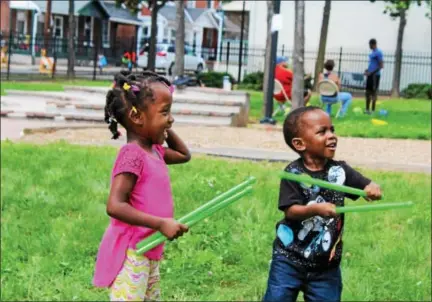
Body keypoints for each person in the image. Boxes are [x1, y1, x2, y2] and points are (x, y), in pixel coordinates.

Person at [263, 106, 382, 302]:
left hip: (326, 263)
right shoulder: (293, 173)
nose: (332, 136)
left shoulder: (340, 171)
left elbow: (366, 185)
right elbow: (290, 211)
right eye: (322, 131)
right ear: (300, 144)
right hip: (289, 258)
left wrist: (372, 188)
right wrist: (315, 209)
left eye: (332, 130)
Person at [93, 71, 191, 301]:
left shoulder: (154, 151)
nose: (171, 118)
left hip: (148, 248)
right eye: (165, 112)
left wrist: (162, 124)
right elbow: (115, 205)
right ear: (137, 117)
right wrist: (160, 223)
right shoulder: (132, 155)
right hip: (131, 252)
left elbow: (184, 155)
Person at [364, 39, 384, 114]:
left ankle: (372, 110)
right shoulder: (373, 52)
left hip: (375, 76)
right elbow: (373, 64)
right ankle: (367, 109)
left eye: (370, 45)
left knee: (373, 92)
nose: (369, 46)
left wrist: (371, 73)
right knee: (367, 92)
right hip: (370, 75)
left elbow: (381, 66)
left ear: (373, 44)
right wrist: (367, 70)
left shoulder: (378, 53)